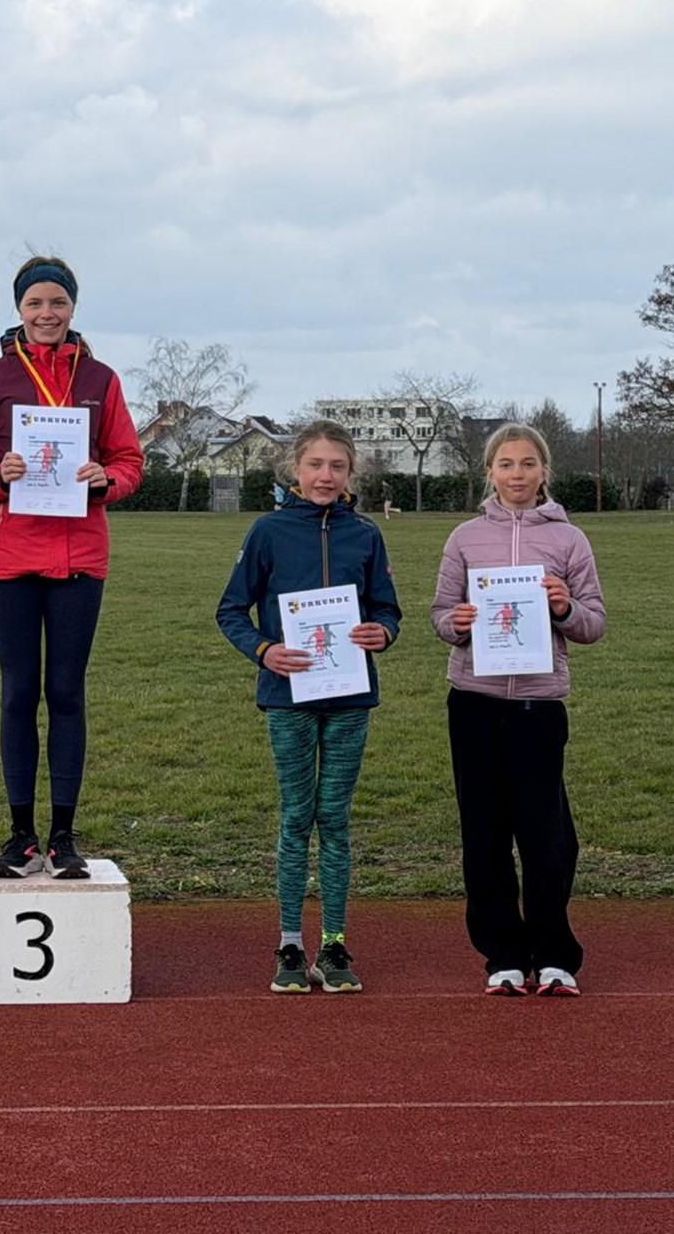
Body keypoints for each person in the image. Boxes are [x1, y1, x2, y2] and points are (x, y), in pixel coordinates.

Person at [0, 255, 144, 880]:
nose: (47, 313)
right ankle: (20, 835)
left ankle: (63, 836)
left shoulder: (102, 380)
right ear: (19, 309)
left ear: (73, 308)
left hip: (79, 559)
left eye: (57, 302)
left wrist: (106, 479)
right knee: (19, 692)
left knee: (66, 693)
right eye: (35, 303)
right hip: (10, 561)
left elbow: (130, 462)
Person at [216, 420, 402, 995]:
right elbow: (230, 610)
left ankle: (335, 943)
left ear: (351, 472)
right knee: (297, 817)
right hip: (288, 699)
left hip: (349, 698)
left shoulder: (365, 533)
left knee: (336, 818)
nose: (326, 476)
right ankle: (291, 943)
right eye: (316, 465)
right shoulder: (268, 531)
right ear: (294, 469)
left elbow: (387, 609)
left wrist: (382, 633)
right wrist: (264, 651)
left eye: (337, 466)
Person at [431, 423, 606, 997]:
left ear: (544, 471)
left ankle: (554, 955)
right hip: (474, 703)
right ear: (489, 472)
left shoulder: (570, 540)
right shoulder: (464, 537)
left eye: (528, 463)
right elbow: (440, 614)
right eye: (506, 464)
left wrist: (564, 608)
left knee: (545, 836)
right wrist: (456, 623)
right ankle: (503, 955)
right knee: (484, 834)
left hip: (538, 705)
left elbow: (594, 624)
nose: (517, 474)